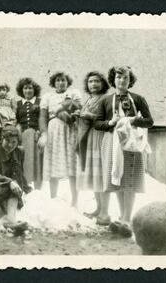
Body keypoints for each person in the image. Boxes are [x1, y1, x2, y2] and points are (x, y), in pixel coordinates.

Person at [94, 66, 153, 237]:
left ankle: (127, 219)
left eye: (125, 78)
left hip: (131, 142)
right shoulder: (105, 100)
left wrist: (134, 120)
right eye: (118, 77)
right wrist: (111, 123)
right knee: (117, 179)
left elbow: (149, 121)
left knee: (130, 180)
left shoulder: (138, 99)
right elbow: (97, 124)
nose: (122, 81)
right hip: (112, 142)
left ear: (130, 80)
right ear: (113, 80)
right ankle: (122, 217)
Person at [38, 71, 81, 207]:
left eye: (63, 80)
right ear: (53, 82)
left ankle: (74, 200)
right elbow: (43, 117)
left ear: (68, 82)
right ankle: (53, 198)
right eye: (57, 80)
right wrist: (44, 133)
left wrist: (68, 109)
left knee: (72, 163)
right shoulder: (47, 96)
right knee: (54, 163)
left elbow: (79, 109)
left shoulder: (74, 94)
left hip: (70, 128)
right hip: (54, 129)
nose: (60, 83)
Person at [75, 71, 110, 225]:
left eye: (97, 81)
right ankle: (98, 208)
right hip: (90, 138)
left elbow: (107, 118)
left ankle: (105, 213)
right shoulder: (89, 99)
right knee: (95, 174)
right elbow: (86, 115)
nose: (93, 84)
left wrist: (87, 115)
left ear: (103, 84)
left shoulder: (106, 99)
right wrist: (80, 114)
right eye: (90, 81)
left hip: (100, 137)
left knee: (101, 174)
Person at [15, 77, 43, 189]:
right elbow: (15, 119)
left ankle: (38, 187)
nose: (28, 91)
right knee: (24, 160)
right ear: (21, 90)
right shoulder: (17, 104)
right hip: (22, 136)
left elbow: (43, 119)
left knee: (37, 161)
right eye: (25, 88)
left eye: (30, 88)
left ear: (34, 89)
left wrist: (40, 132)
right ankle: (25, 185)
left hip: (36, 135)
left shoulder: (40, 102)